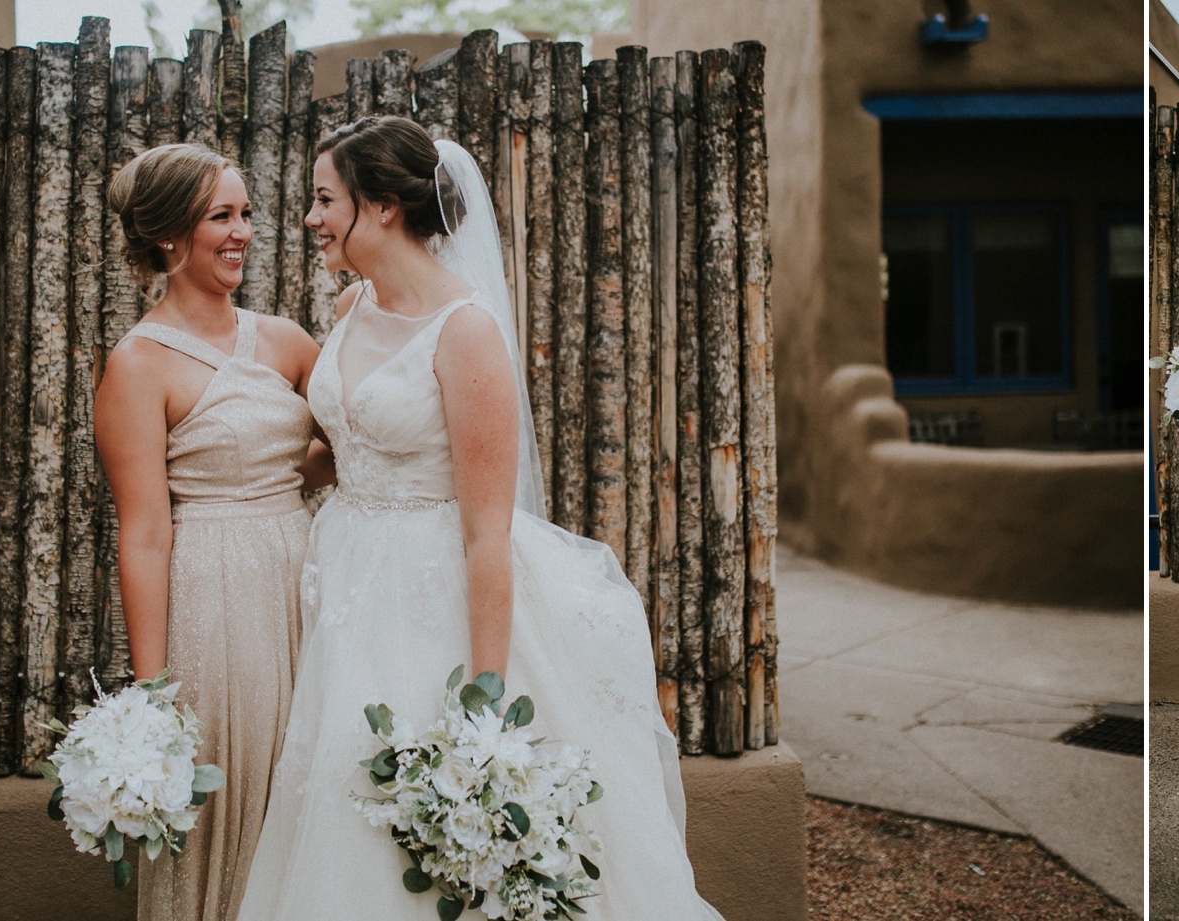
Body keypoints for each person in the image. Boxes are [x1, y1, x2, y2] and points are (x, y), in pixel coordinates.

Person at [237, 116, 723, 919]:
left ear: (383, 206)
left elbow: (486, 528)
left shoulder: (464, 332)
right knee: (342, 793)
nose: (312, 218)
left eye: (326, 199)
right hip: (347, 582)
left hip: (432, 597)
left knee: (429, 810)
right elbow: (346, 443)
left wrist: (487, 701)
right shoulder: (354, 303)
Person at [95, 143, 329, 921]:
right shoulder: (138, 365)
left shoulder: (288, 341)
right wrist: (153, 695)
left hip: (304, 580)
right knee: (234, 798)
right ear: (168, 236)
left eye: (246, 214)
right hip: (216, 600)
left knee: (308, 798)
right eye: (220, 217)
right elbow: (145, 533)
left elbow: (359, 441)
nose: (242, 233)